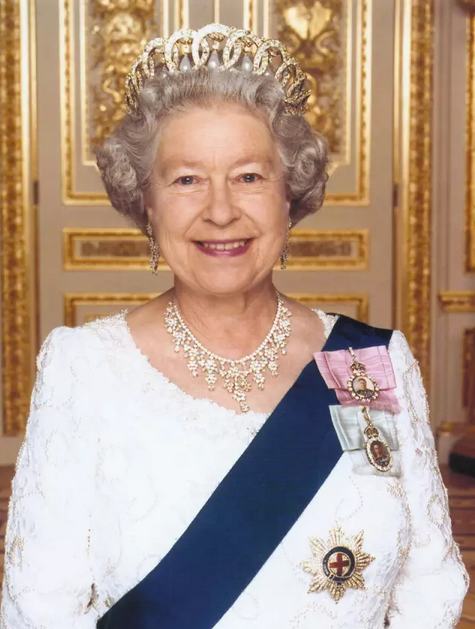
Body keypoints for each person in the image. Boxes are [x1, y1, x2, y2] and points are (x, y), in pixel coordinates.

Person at [0, 23, 469, 629]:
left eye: (249, 176)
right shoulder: (84, 366)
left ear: (288, 195)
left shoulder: (365, 363)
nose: (220, 210)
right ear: (147, 203)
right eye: (187, 179)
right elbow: (39, 610)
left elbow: (430, 584)